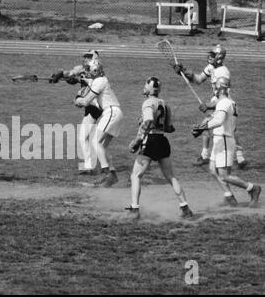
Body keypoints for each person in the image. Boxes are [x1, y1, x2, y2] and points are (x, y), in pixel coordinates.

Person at [126, 77, 193, 220]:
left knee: (136, 175)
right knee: (171, 176)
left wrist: (137, 140)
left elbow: (149, 121)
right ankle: (185, 207)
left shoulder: (147, 103)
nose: (144, 87)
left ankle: (134, 209)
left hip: (150, 140)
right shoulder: (164, 104)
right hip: (162, 140)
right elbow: (169, 128)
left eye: (145, 85)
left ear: (150, 89)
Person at [174, 44, 248, 169]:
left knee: (207, 125)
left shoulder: (223, 73)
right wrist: (184, 71)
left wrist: (208, 105)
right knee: (229, 130)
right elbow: (198, 79)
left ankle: (204, 156)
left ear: (219, 57)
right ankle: (240, 158)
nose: (210, 56)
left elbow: (222, 96)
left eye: (213, 55)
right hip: (220, 102)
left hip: (224, 104)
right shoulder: (211, 67)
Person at [192, 77, 261, 207]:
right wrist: (202, 127)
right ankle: (229, 197)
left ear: (222, 88)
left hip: (224, 140)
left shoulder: (224, 103)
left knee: (225, 176)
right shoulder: (229, 103)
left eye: (216, 86)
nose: (214, 89)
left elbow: (218, 121)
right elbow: (215, 118)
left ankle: (252, 188)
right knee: (213, 170)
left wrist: (203, 128)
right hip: (221, 139)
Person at [49, 50, 103, 177]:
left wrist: (72, 79)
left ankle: (92, 166)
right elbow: (72, 73)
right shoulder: (83, 68)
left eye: (88, 56)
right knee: (86, 137)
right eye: (85, 56)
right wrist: (60, 74)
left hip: (95, 105)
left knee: (84, 137)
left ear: (94, 58)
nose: (85, 58)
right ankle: (92, 165)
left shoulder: (96, 71)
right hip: (90, 105)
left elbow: (87, 82)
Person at [74, 60, 122, 188]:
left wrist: (78, 100)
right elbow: (90, 82)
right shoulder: (100, 80)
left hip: (111, 112)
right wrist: (79, 79)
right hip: (115, 113)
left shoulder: (99, 82)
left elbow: (85, 101)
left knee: (95, 141)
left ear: (94, 71)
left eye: (88, 70)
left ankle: (106, 174)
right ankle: (112, 175)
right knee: (103, 146)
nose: (87, 72)